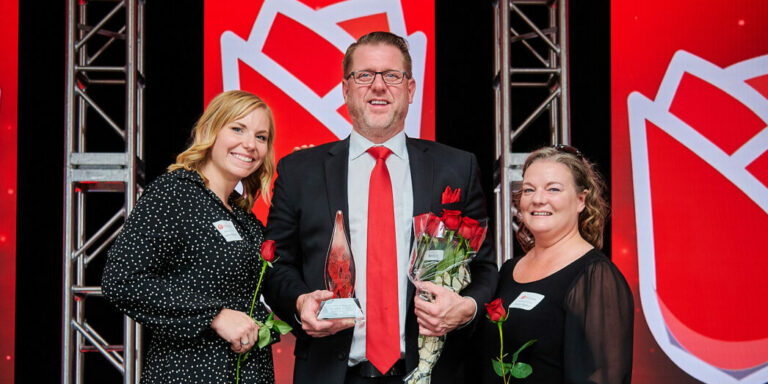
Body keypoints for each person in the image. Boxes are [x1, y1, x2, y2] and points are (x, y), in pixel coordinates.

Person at [262, 31, 498, 384]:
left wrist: (467, 309)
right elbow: (276, 267)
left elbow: (483, 267)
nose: (378, 86)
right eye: (364, 75)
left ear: (411, 89)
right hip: (331, 372)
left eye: (391, 75)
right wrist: (299, 303)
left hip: (431, 373)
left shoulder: (456, 168)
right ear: (345, 89)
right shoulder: (299, 172)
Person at [102, 90, 278, 383]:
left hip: (248, 373)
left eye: (261, 137)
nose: (250, 144)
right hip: (188, 372)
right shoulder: (175, 193)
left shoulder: (245, 219)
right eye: (238, 128)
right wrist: (214, 315)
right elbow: (122, 280)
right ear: (211, 130)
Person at [471, 145, 634, 383]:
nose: (538, 199)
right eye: (528, 190)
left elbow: (606, 376)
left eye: (553, 189)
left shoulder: (595, 277)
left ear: (580, 200)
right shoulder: (508, 270)